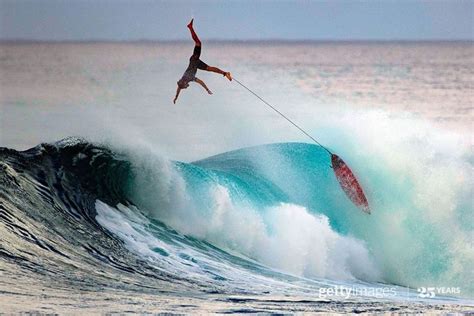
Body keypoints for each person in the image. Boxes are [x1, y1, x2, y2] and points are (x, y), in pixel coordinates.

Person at [173, 19, 232, 104]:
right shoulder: (185, 79)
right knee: (209, 68)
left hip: (194, 60)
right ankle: (225, 73)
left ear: (184, 83)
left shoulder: (189, 78)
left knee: (198, 43)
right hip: (195, 62)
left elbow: (199, 82)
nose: (186, 87)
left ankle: (190, 27)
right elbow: (179, 88)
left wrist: (207, 89)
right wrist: (176, 97)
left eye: (185, 86)